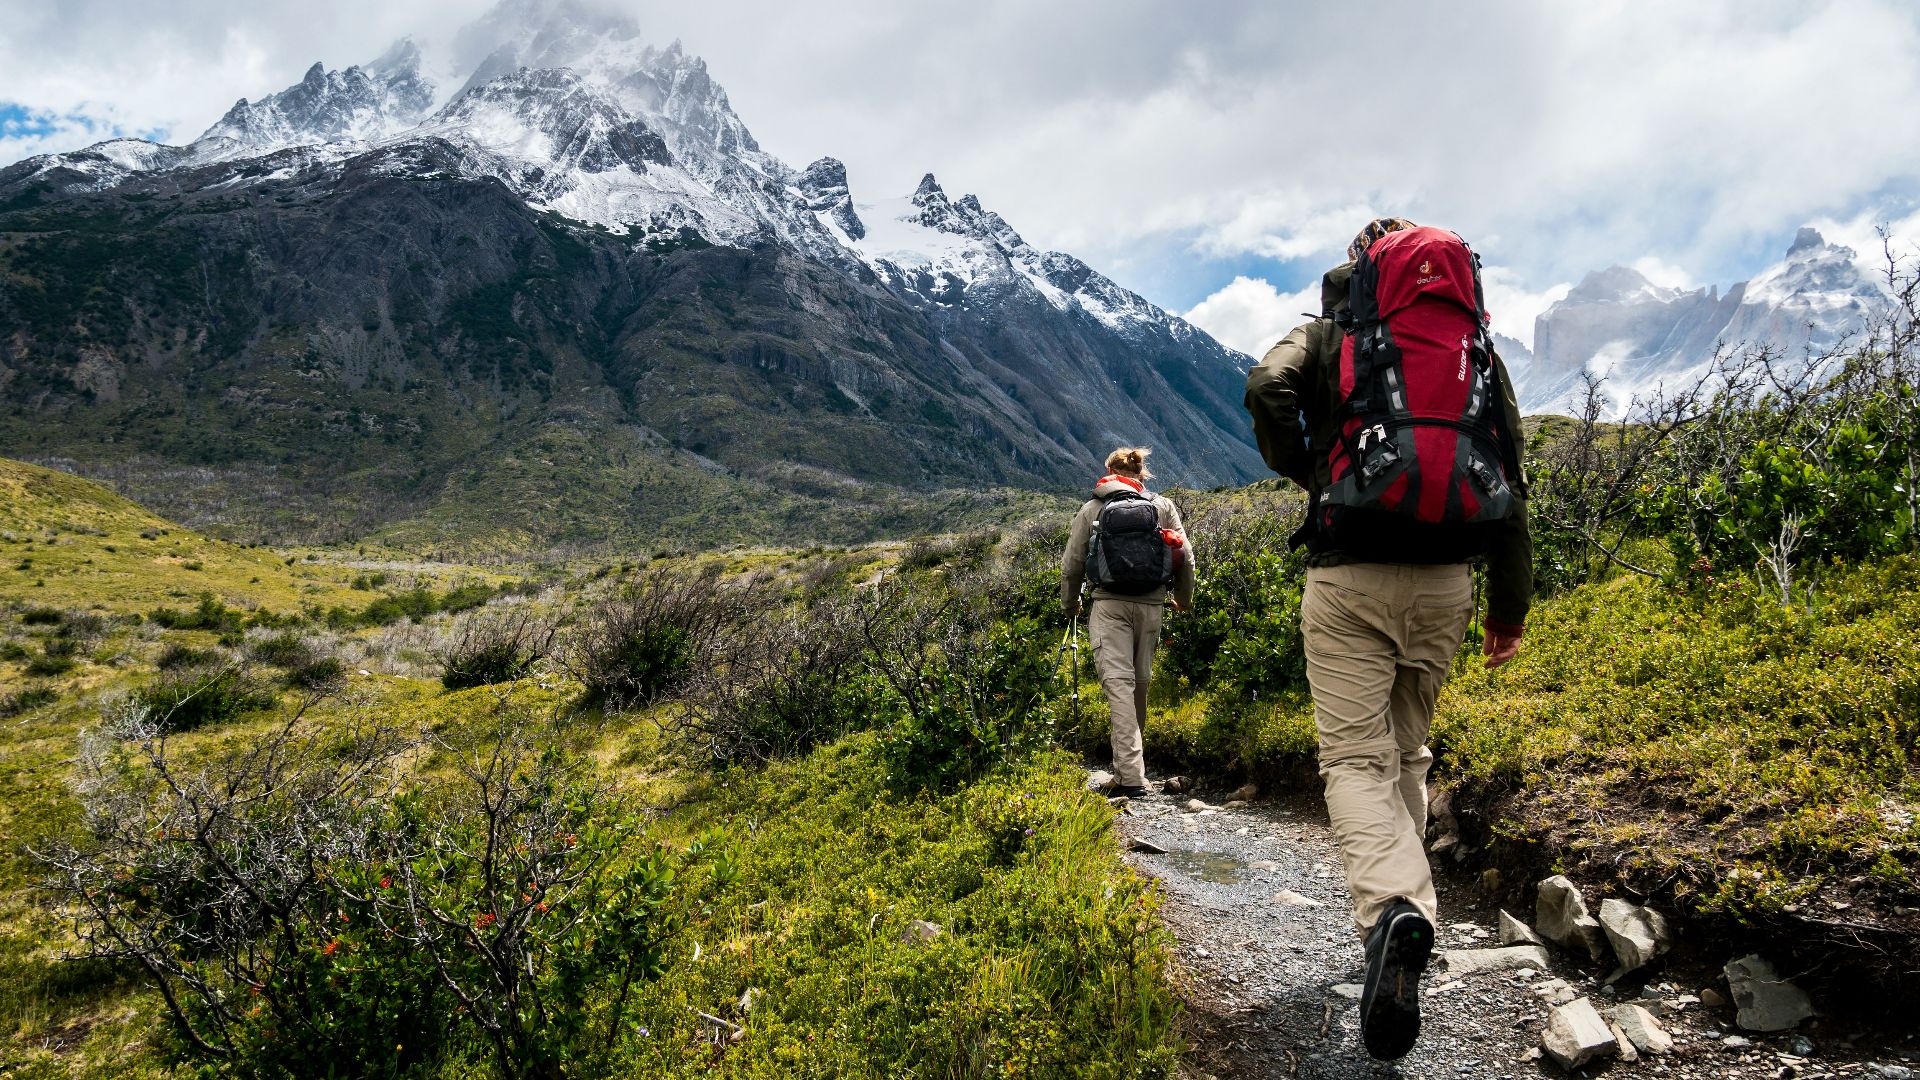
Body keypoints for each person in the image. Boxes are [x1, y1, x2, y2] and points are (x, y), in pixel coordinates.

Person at [1243, 218, 1533, 1060]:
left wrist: (1308, 467)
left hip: (1350, 574)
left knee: (1353, 760)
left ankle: (1393, 914)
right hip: (1448, 583)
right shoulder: (1474, 350)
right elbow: (1511, 474)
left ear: (1362, 268)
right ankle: (1409, 918)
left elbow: (1267, 387)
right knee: (1407, 752)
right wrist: (1508, 611)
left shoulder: (1334, 334)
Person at [1059, 447, 1195, 799]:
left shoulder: (1093, 508)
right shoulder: (1161, 506)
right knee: (1139, 684)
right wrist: (1183, 599)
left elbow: (1072, 564)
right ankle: (1133, 767)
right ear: (1141, 474)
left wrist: (1071, 603)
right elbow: (1187, 557)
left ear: (1108, 471)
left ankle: (1130, 776)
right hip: (1152, 606)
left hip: (1109, 606)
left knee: (1118, 684)